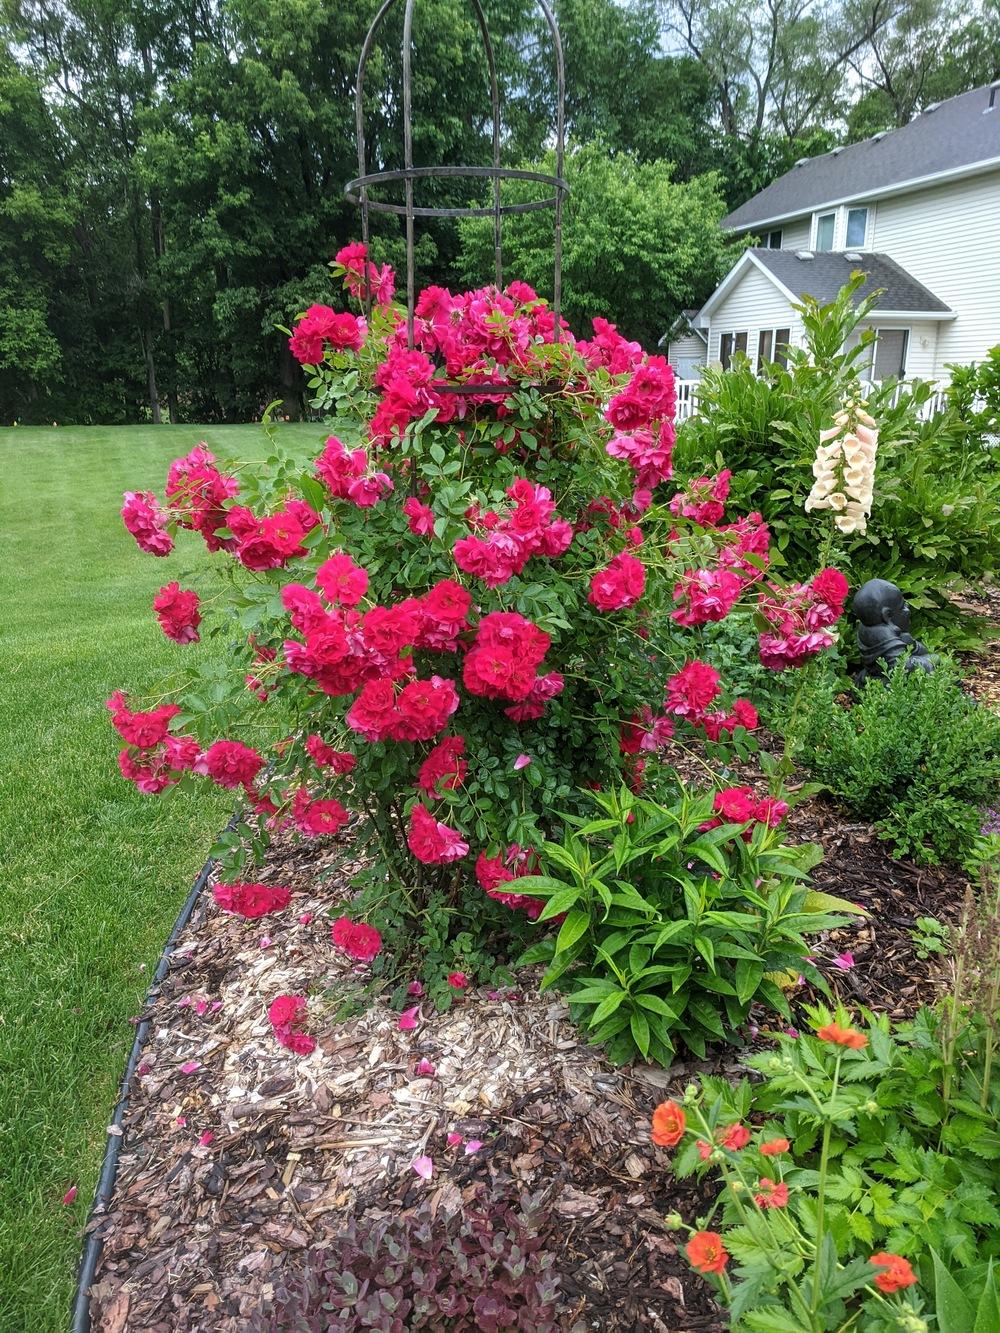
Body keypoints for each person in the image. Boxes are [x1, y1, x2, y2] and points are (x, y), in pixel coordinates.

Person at [853, 578, 937, 684]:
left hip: (873, 674)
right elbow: (901, 667)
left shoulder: (865, 627)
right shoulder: (884, 634)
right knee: (934, 660)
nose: (907, 609)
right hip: (890, 679)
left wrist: (911, 644)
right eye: (903, 606)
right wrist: (926, 657)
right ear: (887, 615)